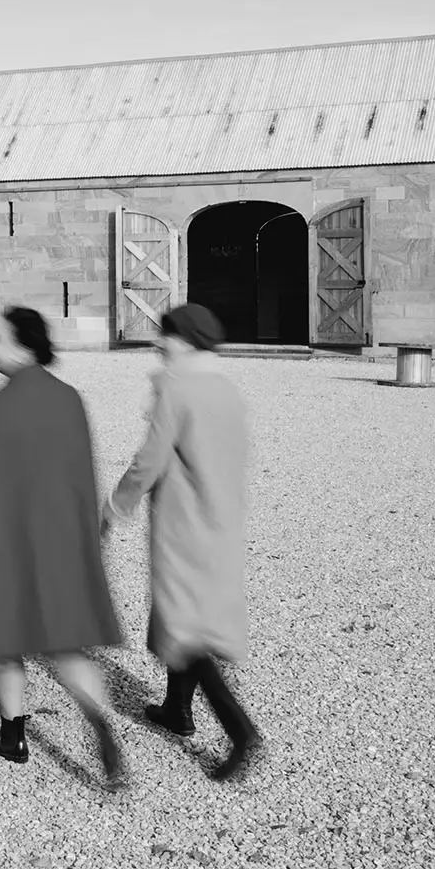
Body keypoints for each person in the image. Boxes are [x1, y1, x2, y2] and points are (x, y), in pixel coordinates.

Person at [0, 306, 127, 786]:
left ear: (22, 344)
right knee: (65, 645)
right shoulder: (70, 399)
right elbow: (81, 477)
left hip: (9, 546)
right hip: (60, 544)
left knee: (6, 643)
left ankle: (11, 735)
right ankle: (98, 721)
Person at [104, 301, 263, 781]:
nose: (158, 343)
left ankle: (240, 730)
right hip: (222, 520)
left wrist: (114, 508)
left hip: (184, 521)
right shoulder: (227, 389)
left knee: (185, 628)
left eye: (166, 336)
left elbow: (148, 461)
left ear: (185, 341)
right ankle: (176, 708)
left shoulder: (177, 388)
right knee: (186, 613)